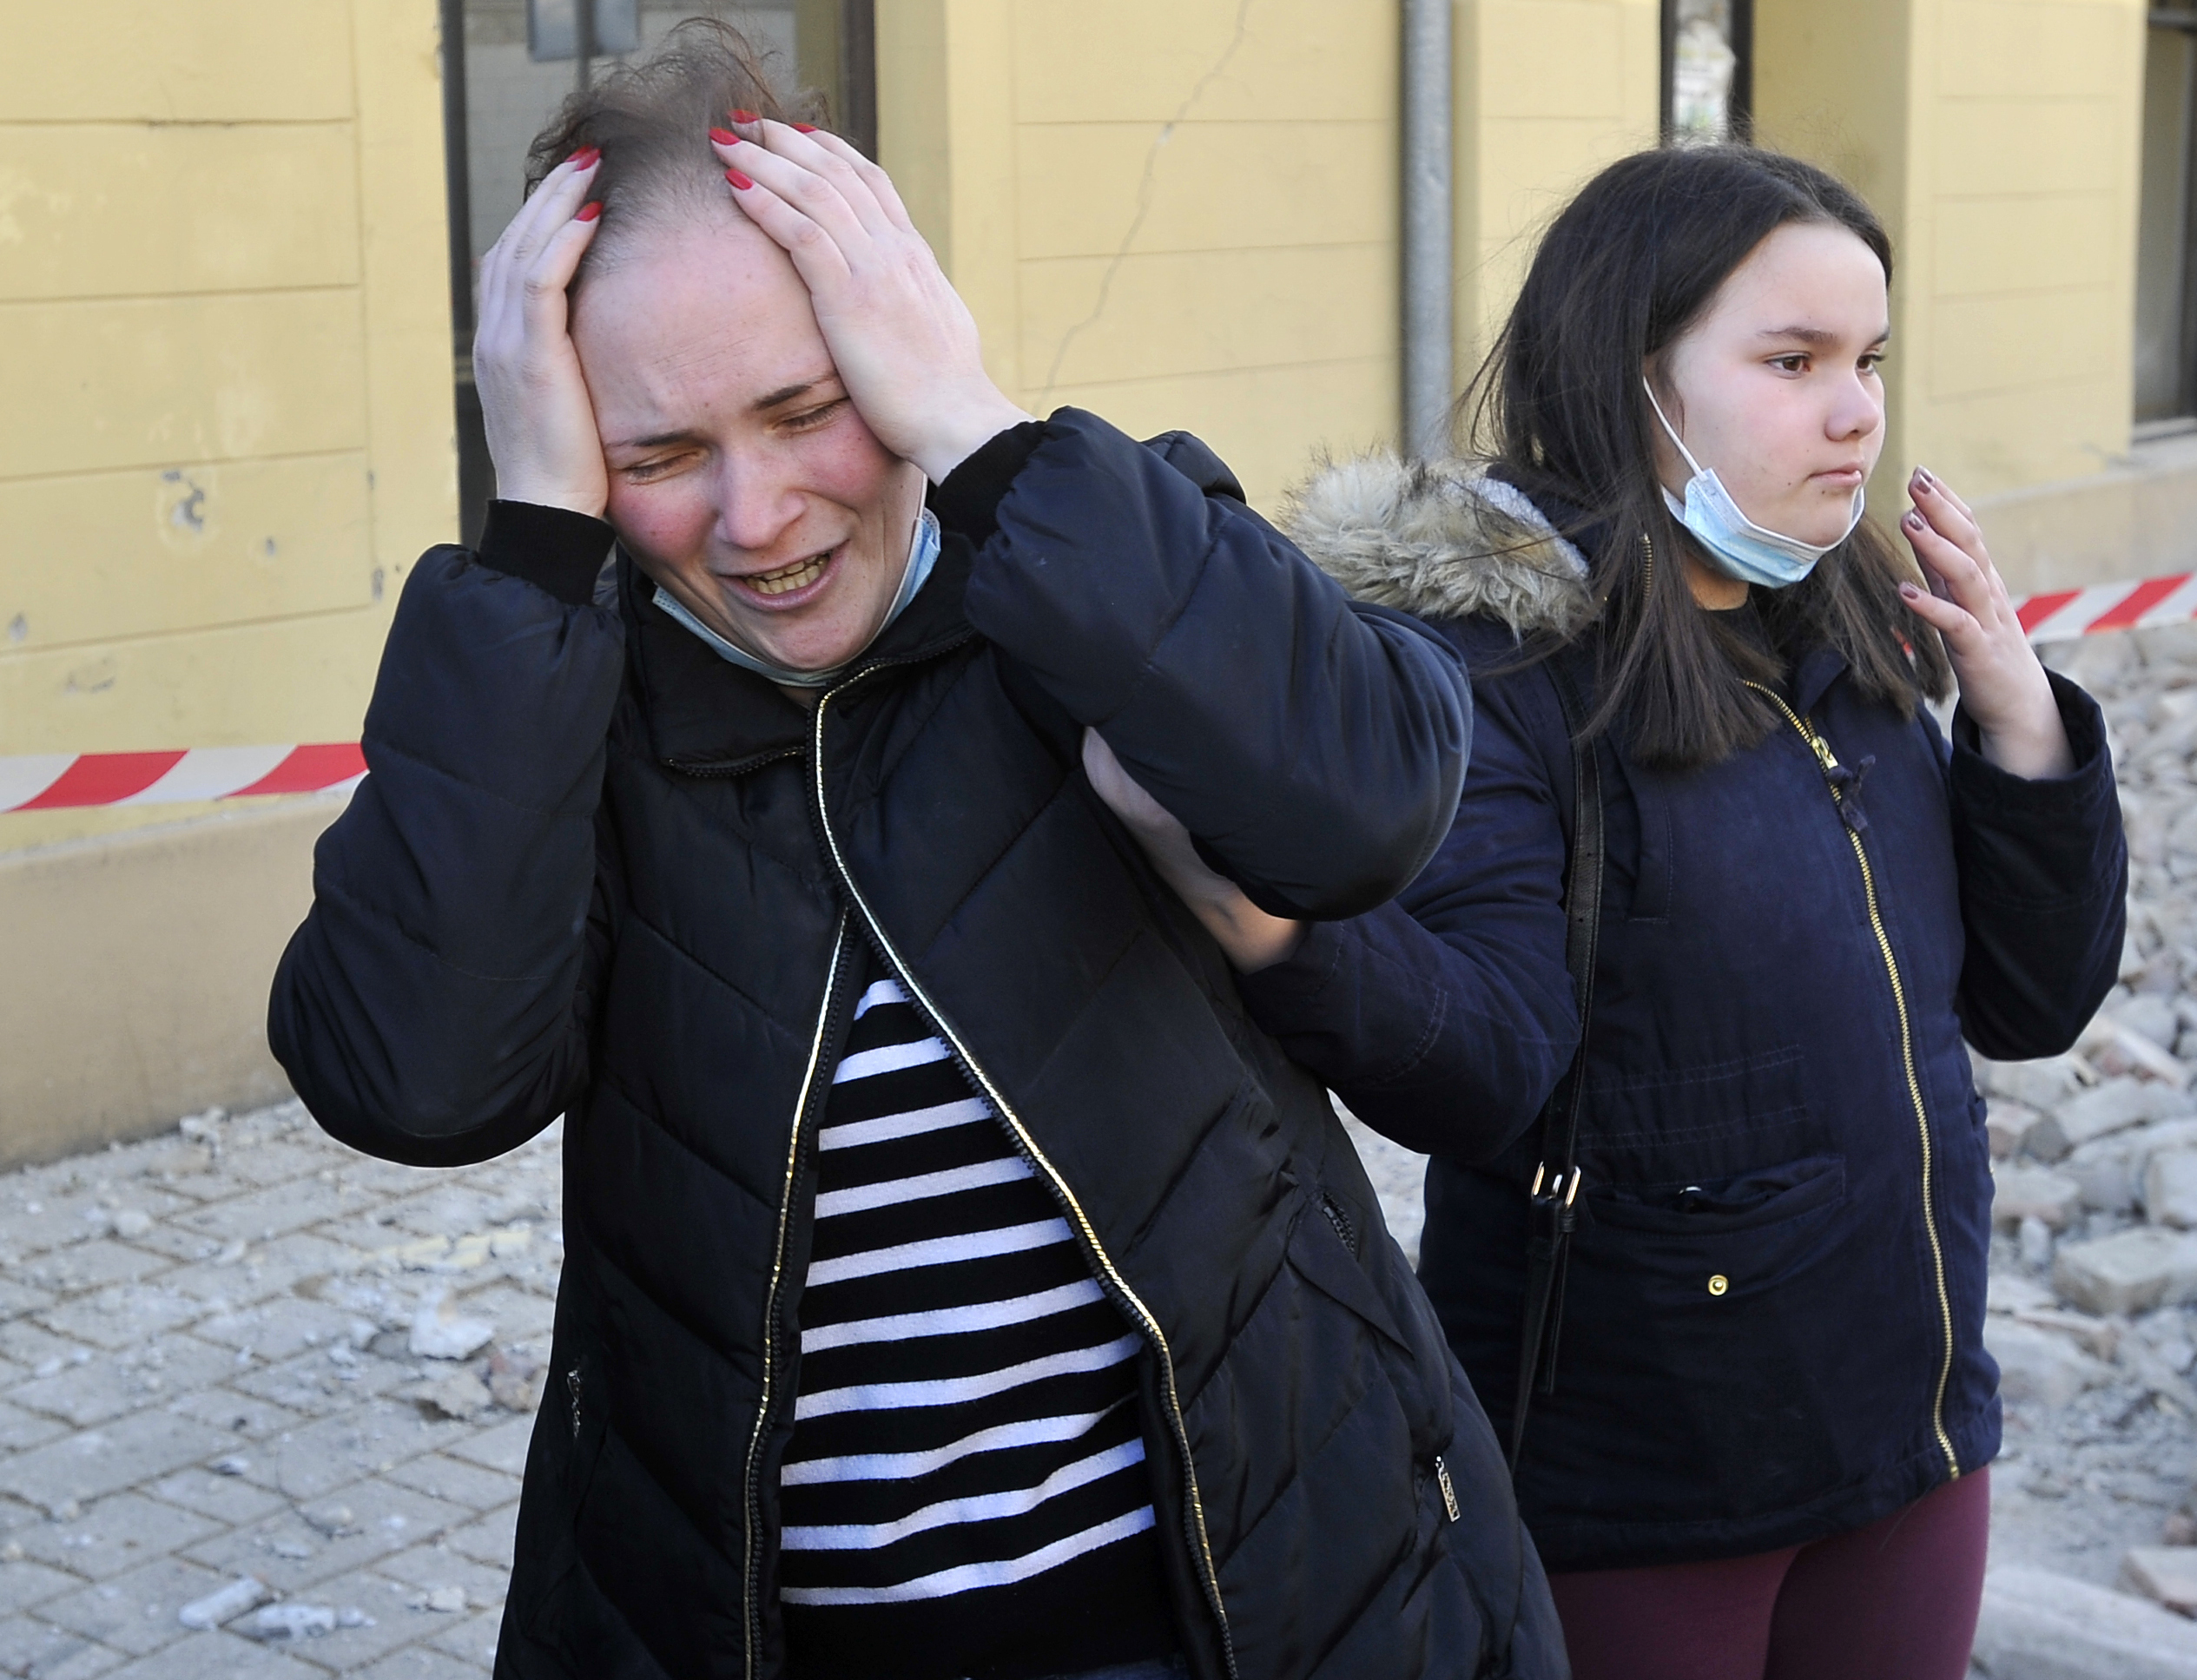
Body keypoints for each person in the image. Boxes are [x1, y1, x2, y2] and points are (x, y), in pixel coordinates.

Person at [267, 27, 1566, 1680]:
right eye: (658, 457)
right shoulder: (570, 707)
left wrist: (980, 425)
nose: (755, 518)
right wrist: (528, 541)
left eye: (808, 409)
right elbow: (413, 1083)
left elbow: (1371, 803)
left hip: (1259, 1610)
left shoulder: (1101, 565)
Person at [1098, 145, 2128, 1680]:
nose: (1856, 412)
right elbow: (1485, 1067)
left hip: (1913, 1430)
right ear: (1632, 376)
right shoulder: (1496, 669)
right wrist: (1277, 931)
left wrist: (2024, 728)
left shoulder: (1846, 621)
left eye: (1869, 362)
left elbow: (2031, 1008)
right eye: (1793, 361)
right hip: (1639, 1484)